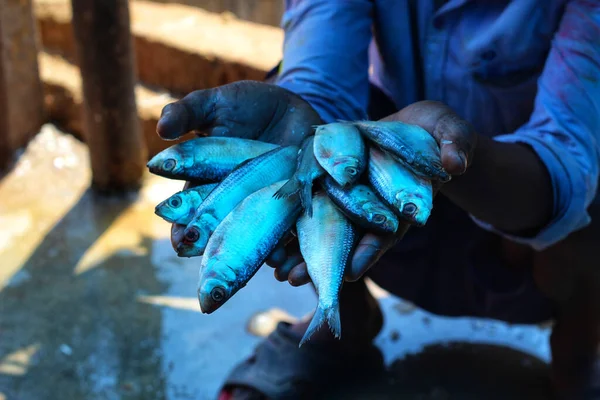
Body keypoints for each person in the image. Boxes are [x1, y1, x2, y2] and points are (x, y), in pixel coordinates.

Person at [156, 0, 600, 398]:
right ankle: (342, 325)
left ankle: (578, 363)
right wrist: (314, 119)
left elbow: (565, 161)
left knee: (594, 185)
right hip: (390, 210)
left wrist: (445, 157)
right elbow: (320, 80)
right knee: (292, 114)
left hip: (521, 225)